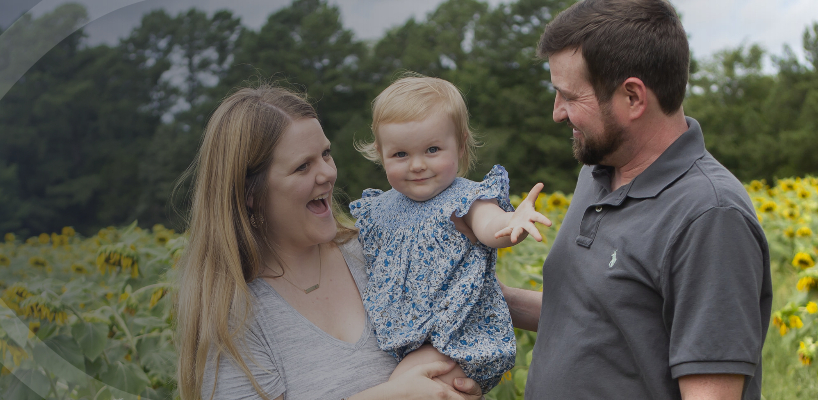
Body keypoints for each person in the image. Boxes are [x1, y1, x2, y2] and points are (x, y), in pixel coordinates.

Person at [520, 0, 773, 398]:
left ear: (633, 97)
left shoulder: (710, 217)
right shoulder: (597, 172)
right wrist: (477, 296)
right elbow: (599, 316)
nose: (557, 113)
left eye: (569, 95)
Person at [174, 85, 484, 400]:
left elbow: (469, 305)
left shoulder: (378, 249)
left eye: (325, 154)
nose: (327, 173)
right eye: (302, 167)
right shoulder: (234, 315)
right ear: (250, 194)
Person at [349, 76, 551, 393]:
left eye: (432, 150)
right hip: (412, 338)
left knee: (402, 388)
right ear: (380, 152)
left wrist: (514, 222)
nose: (417, 165)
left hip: (458, 334)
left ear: (460, 144)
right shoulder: (379, 209)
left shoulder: (463, 200)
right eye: (400, 154)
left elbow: (490, 227)